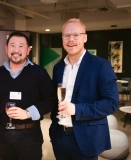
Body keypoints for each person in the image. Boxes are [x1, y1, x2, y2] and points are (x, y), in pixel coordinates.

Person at [49, 18, 119, 160]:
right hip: (60, 136)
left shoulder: (101, 66)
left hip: (86, 139)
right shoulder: (58, 67)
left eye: (76, 35)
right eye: (67, 35)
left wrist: (76, 109)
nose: (71, 39)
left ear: (85, 37)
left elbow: (111, 103)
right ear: (62, 38)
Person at [0, 31, 56, 160]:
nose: (16, 50)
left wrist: (28, 113)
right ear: (6, 48)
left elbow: (51, 100)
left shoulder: (39, 73)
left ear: (28, 50)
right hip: (4, 134)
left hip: (30, 134)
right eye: (12, 45)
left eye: (21, 46)